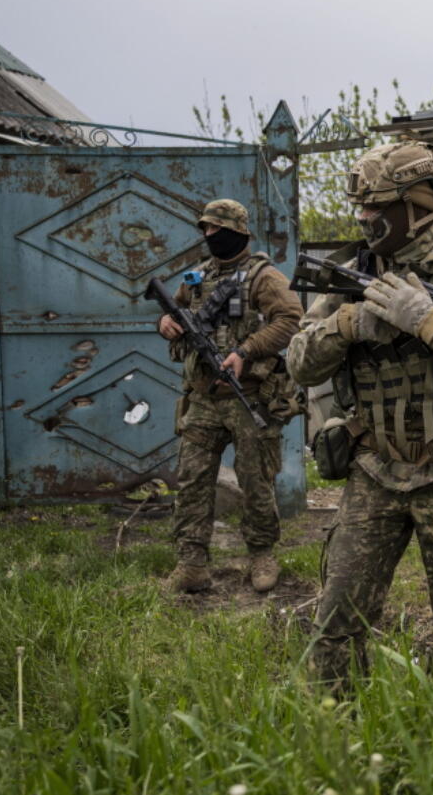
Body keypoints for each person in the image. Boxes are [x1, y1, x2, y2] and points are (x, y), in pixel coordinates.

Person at [286, 140, 433, 688]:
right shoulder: (353, 275)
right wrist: (347, 326)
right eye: (363, 207)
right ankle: (336, 734)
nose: (365, 218)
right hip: (374, 471)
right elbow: (299, 364)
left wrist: (432, 325)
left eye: (378, 207)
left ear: (420, 206)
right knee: (337, 621)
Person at [158, 198, 303, 594]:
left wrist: (247, 351)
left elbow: (291, 319)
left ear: (239, 232)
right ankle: (191, 563)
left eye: (217, 230)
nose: (210, 236)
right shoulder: (196, 277)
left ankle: (261, 554)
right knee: (192, 479)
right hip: (203, 397)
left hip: (250, 397)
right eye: (205, 229)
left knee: (256, 481)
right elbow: (174, 311)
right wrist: (166, 323)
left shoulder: (264, 277)